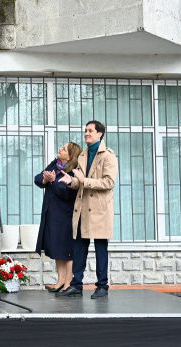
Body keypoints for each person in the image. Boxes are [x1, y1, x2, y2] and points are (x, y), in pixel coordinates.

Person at [56, 120, 118, 299]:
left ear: (100, 134)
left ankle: (102, 286)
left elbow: (109, 182)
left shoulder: (108, 156)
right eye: (85, 131)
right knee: (79, 248)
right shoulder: (83, 155)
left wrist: (83, 180)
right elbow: (80, 182)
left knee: (100, 248)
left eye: (90, 131)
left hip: (99, 210)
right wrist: (72, 182)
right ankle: (76, 285)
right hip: (82, 208)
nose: (86, 134)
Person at [34, 142, 82, 293]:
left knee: (67, 251)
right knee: (56, 249)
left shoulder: (74, 171)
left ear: (70, 155)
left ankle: (68, 282)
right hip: (52, 213)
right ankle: (60, 281)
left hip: (66, 215)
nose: (59, 149)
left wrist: (53, 181)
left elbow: (66, 193)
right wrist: (45, 180)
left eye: (63, 149)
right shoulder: (55, 164)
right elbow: (37, 178)